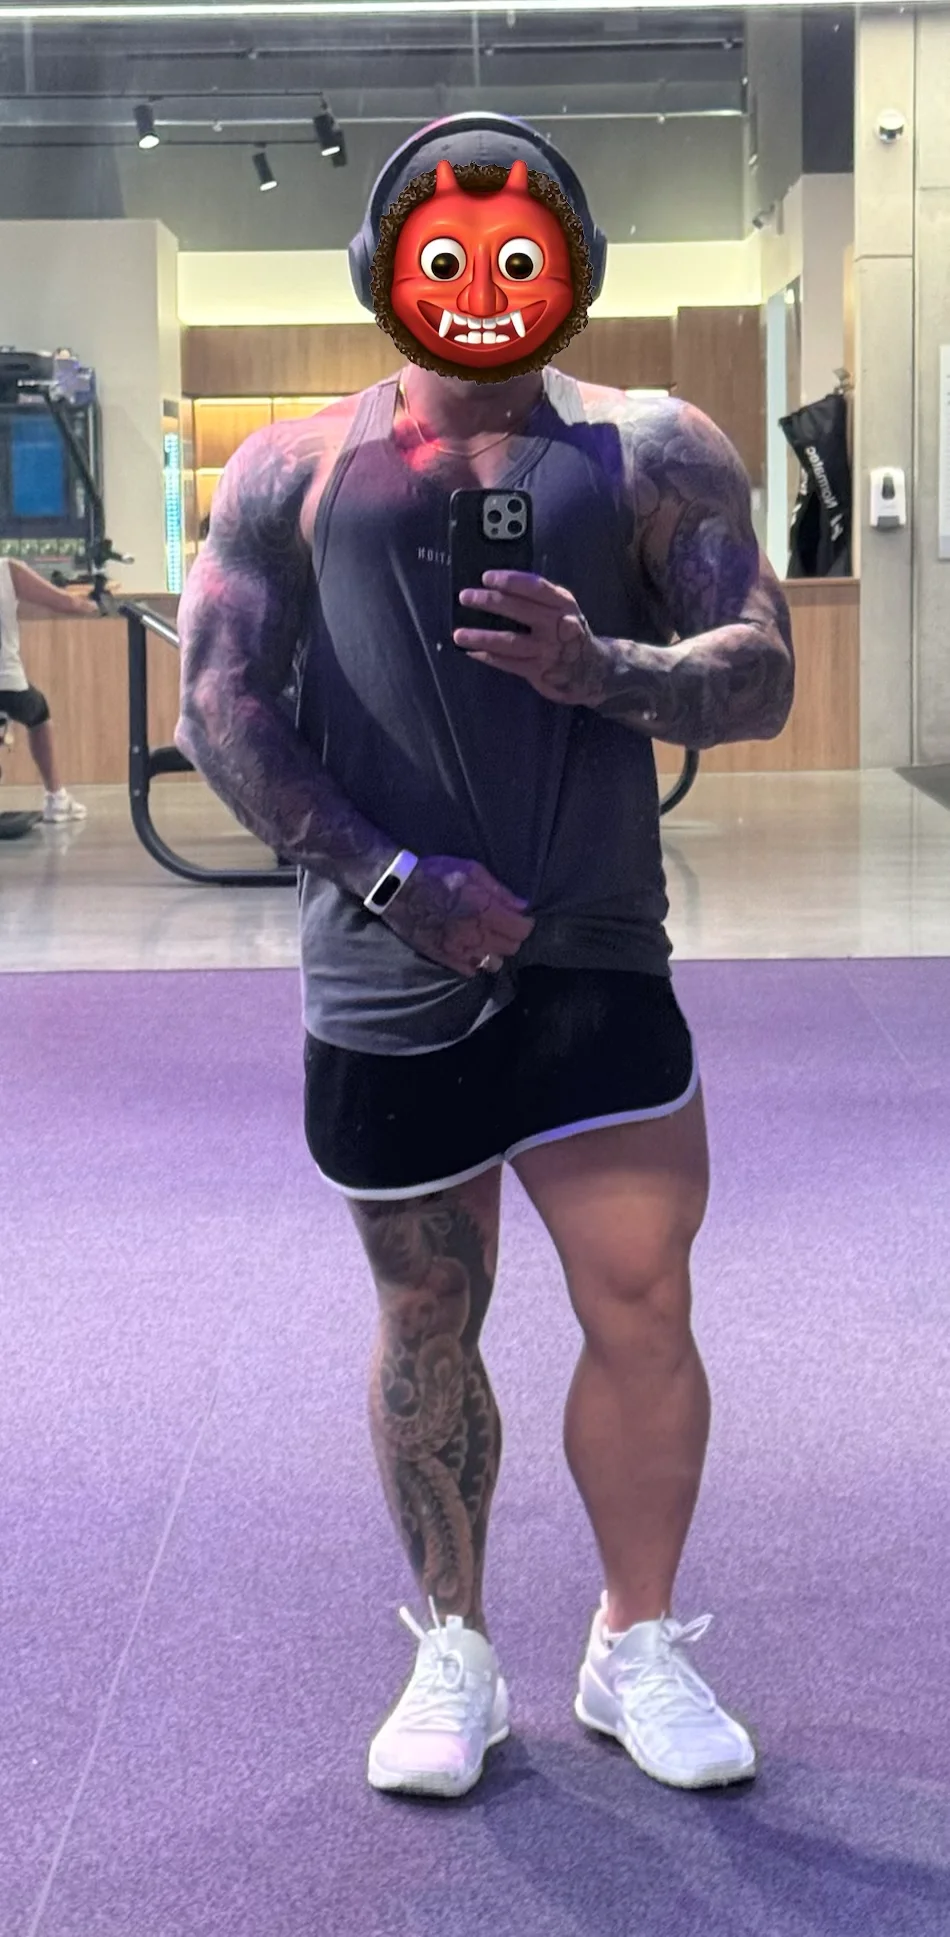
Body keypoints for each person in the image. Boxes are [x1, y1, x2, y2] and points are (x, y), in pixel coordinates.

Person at [176, 114, 794, 1804]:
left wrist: (608, 670)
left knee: (642, 1298)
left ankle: (632, 1639)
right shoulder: (290, 472)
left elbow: (759, 672)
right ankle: (453, 1641)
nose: (477, 290)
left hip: (594, 952)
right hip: (390, 967)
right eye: (441, 259)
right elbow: (219, 704)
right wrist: (393, 878)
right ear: (382, 274)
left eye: (517, 260)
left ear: (571, 277)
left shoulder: (654, 450)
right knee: (427, 1308)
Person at [0, 555, 97, 822]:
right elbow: (65, 603)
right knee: (39, 714)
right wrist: (93, 606)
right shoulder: (7, 570)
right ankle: (56, 798)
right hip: (6, 684)